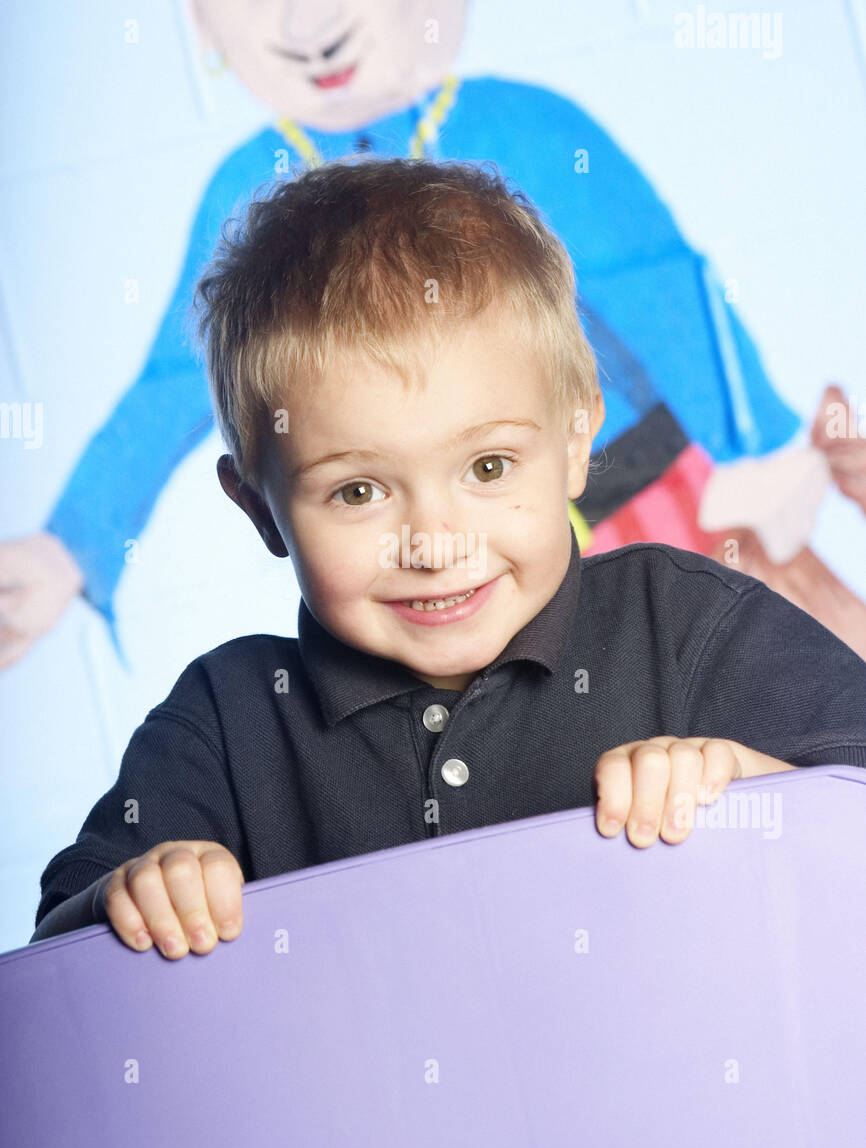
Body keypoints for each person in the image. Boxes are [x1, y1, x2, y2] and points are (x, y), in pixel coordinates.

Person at [31, 158, 866, 956]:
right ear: (258, 507)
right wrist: (134, 902)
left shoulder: (683, 623)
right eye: (358, 492)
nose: (435, 544)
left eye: (489, 468)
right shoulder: (225, 723)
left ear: (578, 440)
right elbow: (63, 957)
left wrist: (766, 789)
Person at [6, 0, 864, 672]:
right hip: (451, 602)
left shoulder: (524, 124)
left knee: (745, 702)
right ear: (203, 12)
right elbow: (172, 379)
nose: (307, 14)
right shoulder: (247, 186)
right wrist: (70, 546)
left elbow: (661, 288)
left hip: (649, 500)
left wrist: (751, 453)